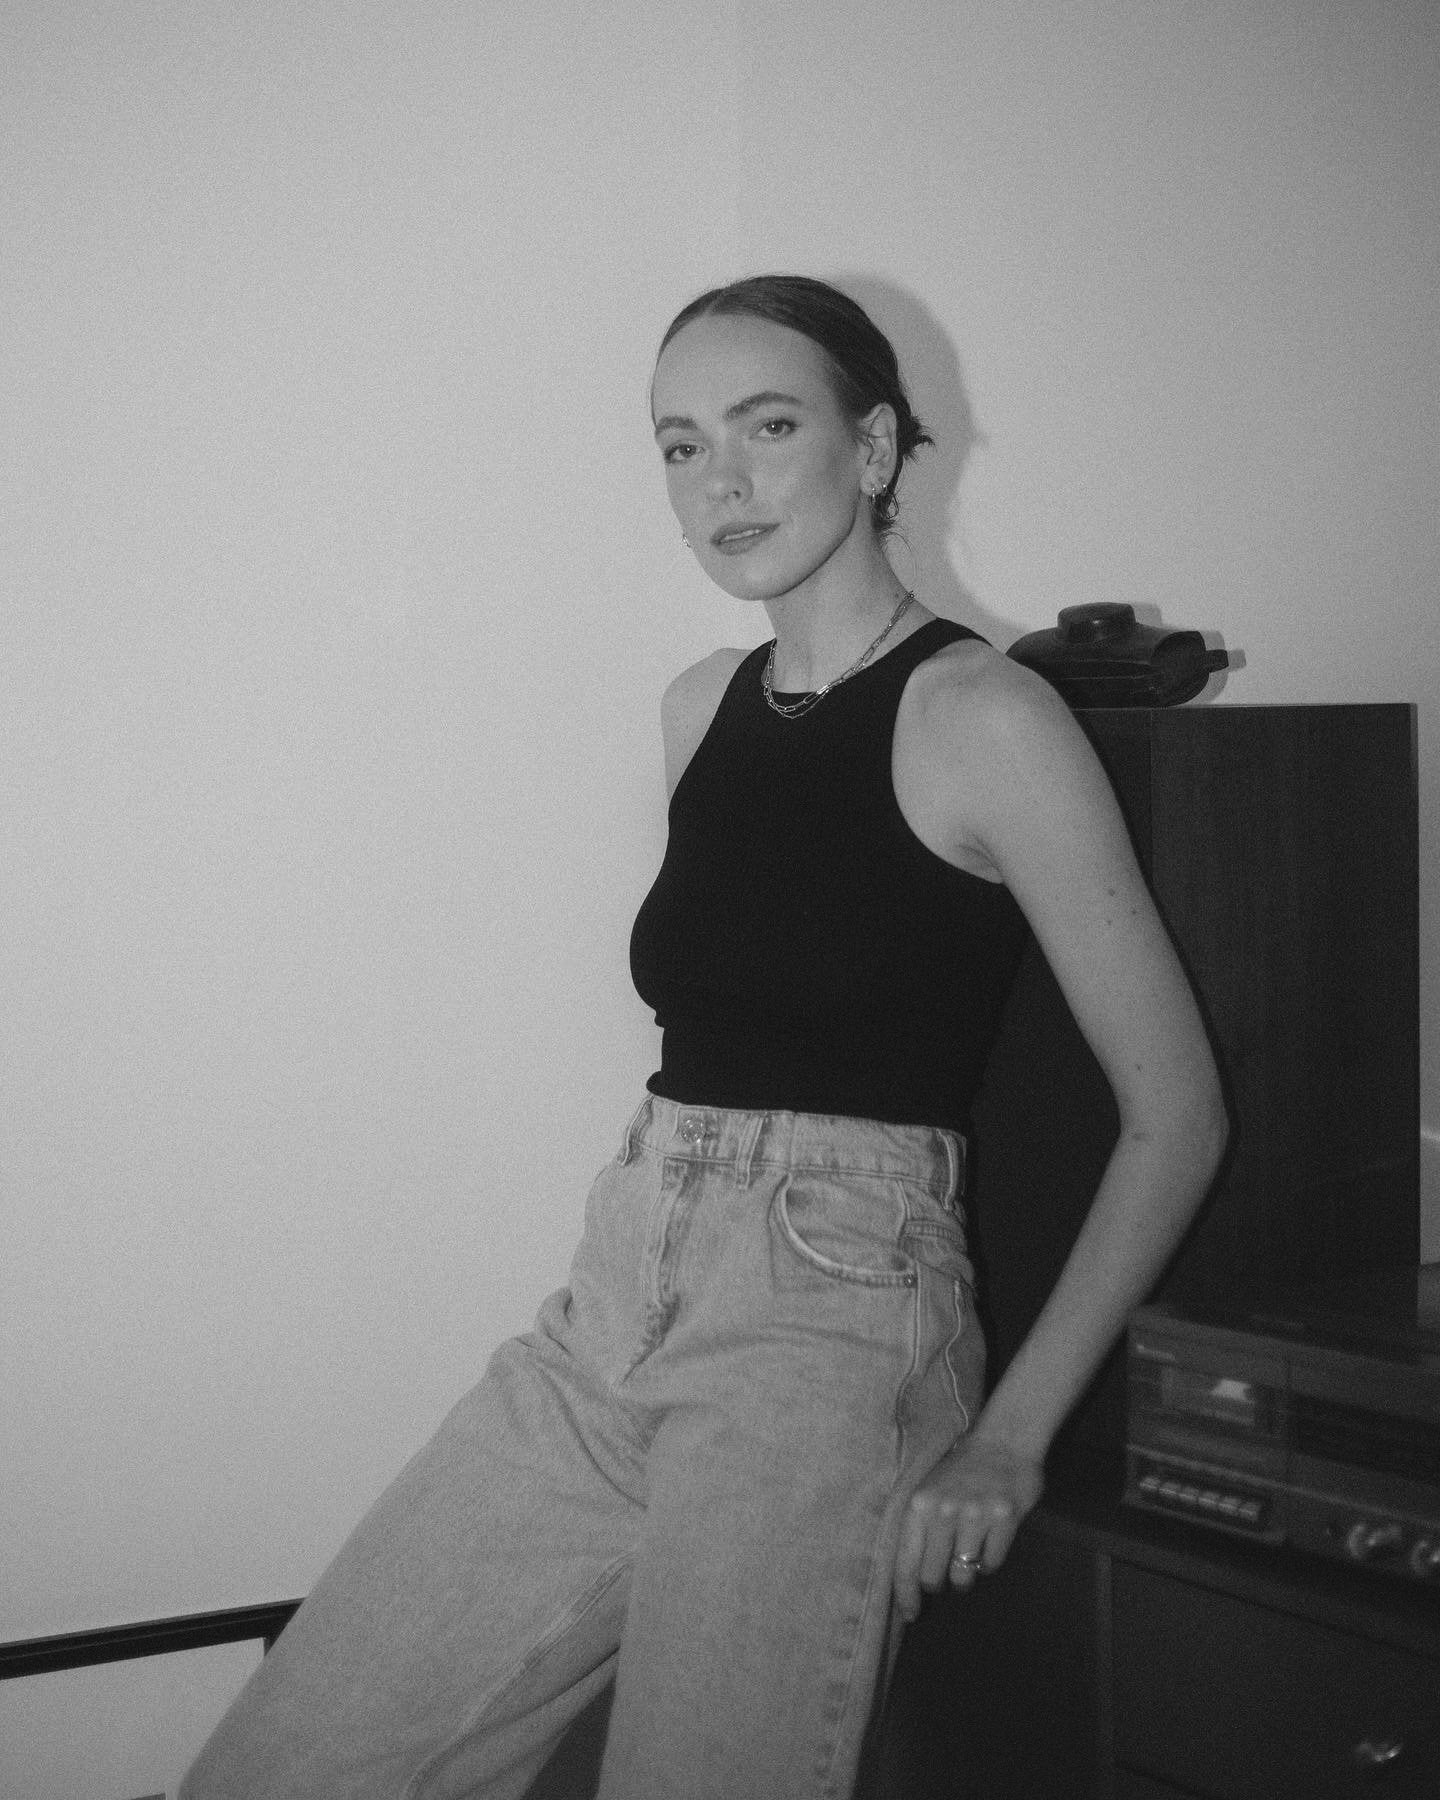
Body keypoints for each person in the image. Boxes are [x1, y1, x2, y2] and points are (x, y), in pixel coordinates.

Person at [182, 275, 1226, 1800]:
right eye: (680, 446)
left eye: (767, 425)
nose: (719, 482)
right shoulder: (697, 706)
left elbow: (1177, 1115)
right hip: (619, 1292)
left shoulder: (986, 719)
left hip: (830, 1326)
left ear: (872, 450)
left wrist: (1010, 1439)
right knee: (284, 1767)